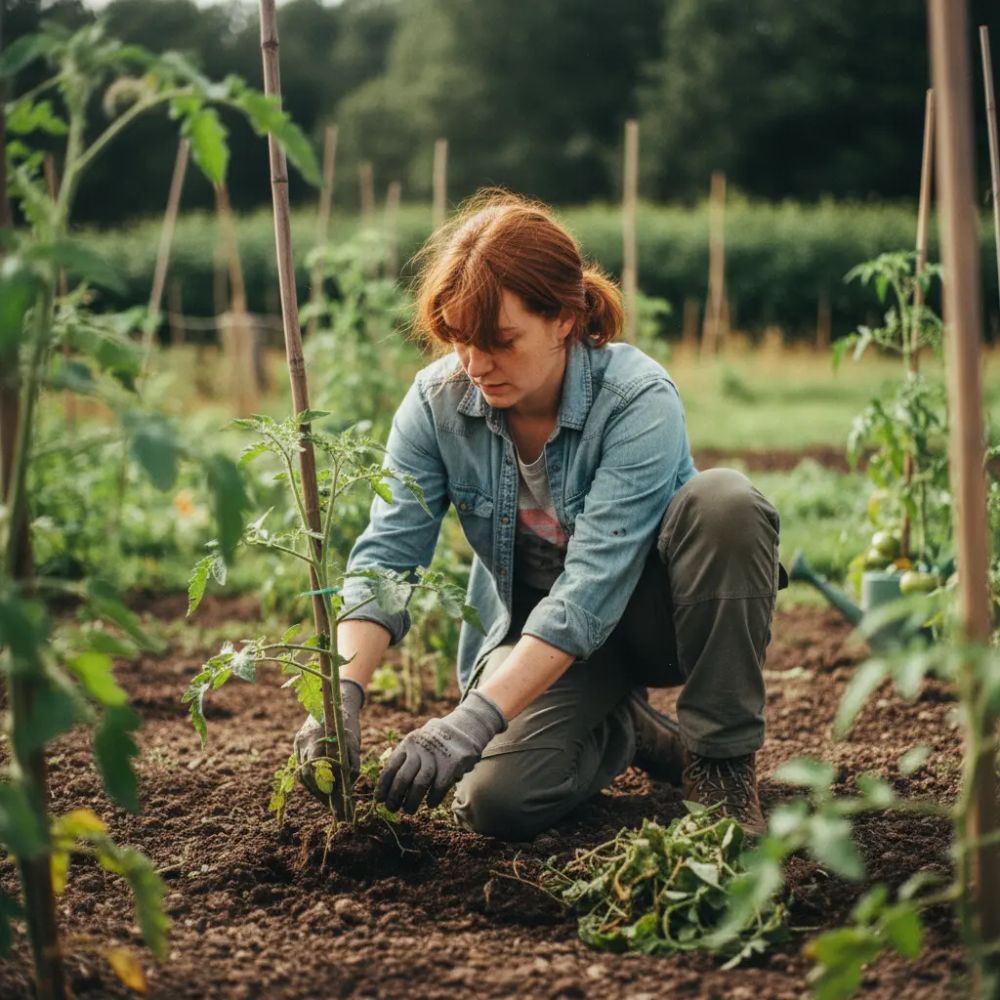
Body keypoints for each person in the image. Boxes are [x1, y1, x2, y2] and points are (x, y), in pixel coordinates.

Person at [294, 190, 785, 840]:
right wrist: (342, 697)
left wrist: (471, 722)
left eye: (499, 341)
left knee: (726, 504)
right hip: (540, 640)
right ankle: (623, 730)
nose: (474, 365)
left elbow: (590, 589)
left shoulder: (636, 400)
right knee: (494, 803)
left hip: (657, 619)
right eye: (460, 340)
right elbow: (388, 556)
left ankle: (719, 763)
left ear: (563, 319)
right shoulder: (438, 403)